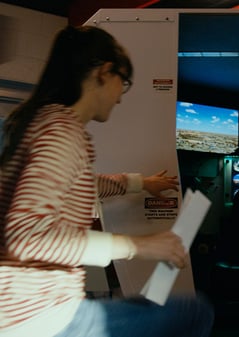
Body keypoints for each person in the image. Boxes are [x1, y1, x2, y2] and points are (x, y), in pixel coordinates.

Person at [0, 25, 213, 337]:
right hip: (42, 318)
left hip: (22, 312)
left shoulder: (41, 123)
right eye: (123, 83)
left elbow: (81, 183)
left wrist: (141, 183)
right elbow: (27, 236)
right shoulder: (61, 132)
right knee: (194, 312)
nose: (120, 98)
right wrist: (138, 246)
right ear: (104, 72)